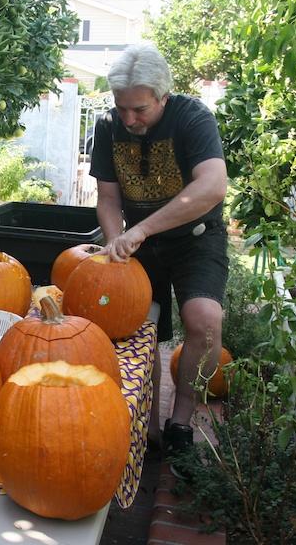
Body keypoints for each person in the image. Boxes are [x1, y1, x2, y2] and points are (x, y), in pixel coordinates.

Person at [89, 41, 228, 477]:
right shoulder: (109, 125)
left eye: (140, 110)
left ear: (163, 98)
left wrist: (144, 228)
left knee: (204, 321)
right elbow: (108, 198)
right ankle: (145, 428)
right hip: (137, 243)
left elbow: (213, 186)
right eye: (122, 107)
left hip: (195, 237)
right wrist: (117, 243)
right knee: (138, 330)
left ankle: (180, 422)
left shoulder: (193, 118)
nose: (129, 119)